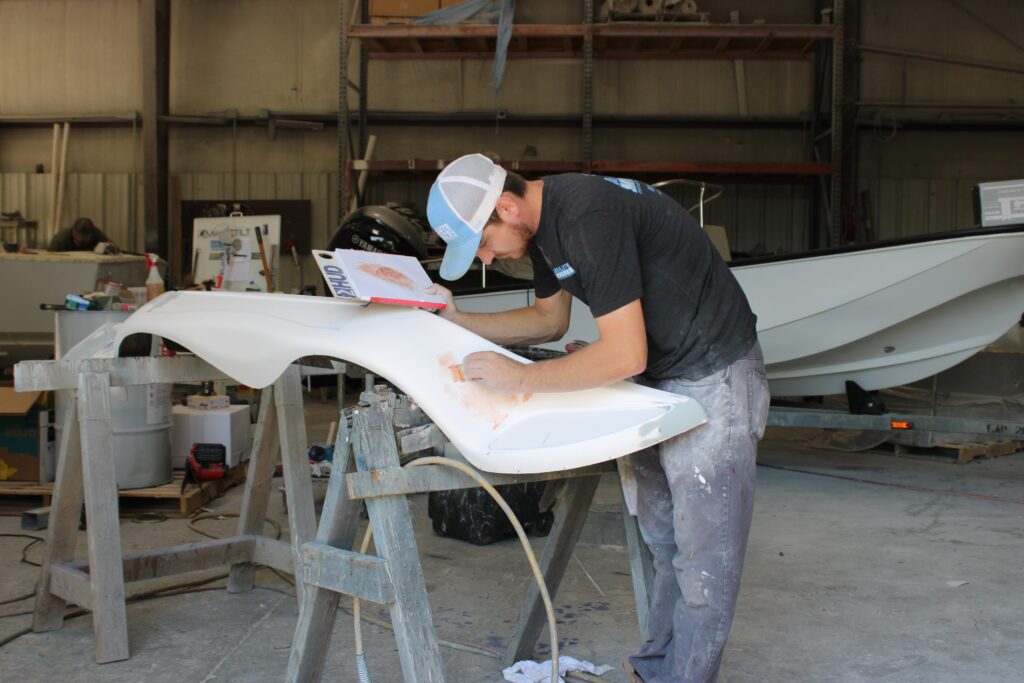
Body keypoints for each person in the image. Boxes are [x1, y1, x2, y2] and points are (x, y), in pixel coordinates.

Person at [424, 154, 770, 683]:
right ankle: (657, 669)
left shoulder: (585, 215)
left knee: (705, 558)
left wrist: (519, 380)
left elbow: (624, 355)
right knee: (664, 542)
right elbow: (548, 320)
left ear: (507, 207)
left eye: (484, 244)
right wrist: (456, 321)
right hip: (662, 370)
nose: (488, 260)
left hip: (713, 371)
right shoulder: (541, 228)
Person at [47, 217, 114, 252]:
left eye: (84, 237)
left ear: (91, 234)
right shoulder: (60, 240)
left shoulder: (96, 234)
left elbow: (112, 248)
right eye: (78, 236)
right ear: (73, 231)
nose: (81, 239)